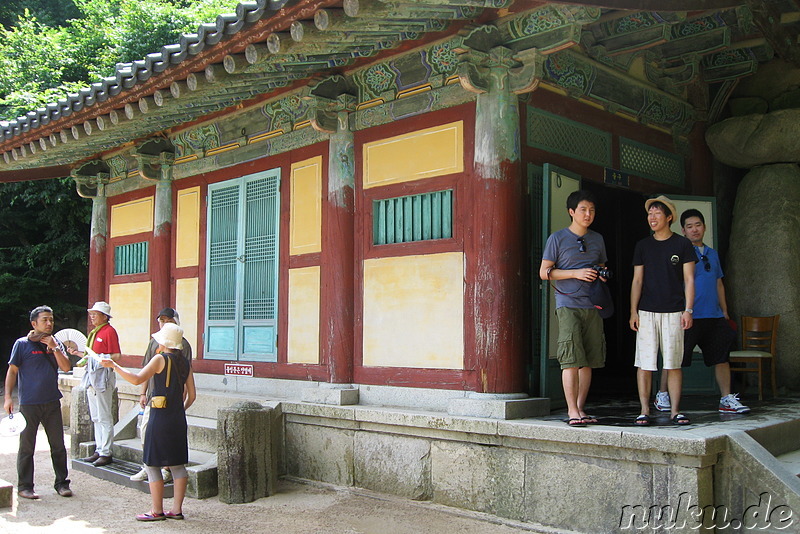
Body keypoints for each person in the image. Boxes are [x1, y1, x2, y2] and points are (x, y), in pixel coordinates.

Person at [654, 209, 750, 414]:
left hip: (713, 315)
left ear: (704, 227)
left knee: (721, 357)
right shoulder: (679, 251)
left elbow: (719, 283)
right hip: (687, 315)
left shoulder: (713, 254)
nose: (694, 229)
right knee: (674, 358)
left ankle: (726, 399)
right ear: (683, 230)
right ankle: (662, 394)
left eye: (698, 225)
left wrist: (724, 311)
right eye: (689, 226)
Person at [101, 322, 196, 521]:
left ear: (162, 342)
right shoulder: (185, 363)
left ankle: (157, 510)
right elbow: (192, 396)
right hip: (177, 418)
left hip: (159, 416)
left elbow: (136, 379)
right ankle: (177, 510)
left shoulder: (159, 359)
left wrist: (114, 366)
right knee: (178, 465)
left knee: (152, 464)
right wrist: (179, 410)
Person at [539, 190, 609, 426]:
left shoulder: (598, 239)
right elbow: (544, 272)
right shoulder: (557, 239)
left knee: (588, 359)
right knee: (571, 358)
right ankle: (571, 411)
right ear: (571, 212)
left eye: (592, 210)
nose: (588, 214)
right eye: (583, 210)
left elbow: (601, 266)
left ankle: (581, 408)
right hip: (568, 304)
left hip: (593, 304)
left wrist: (601, 274)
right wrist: (575, 273)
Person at [630, 195, 695, 426]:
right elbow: (637, 281)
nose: (652, 217)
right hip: (647, 311)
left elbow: (689, 280)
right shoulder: (643, 245)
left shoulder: (682, 244)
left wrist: (688, 310)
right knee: (645, 363)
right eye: (650, 213)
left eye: (657, 213)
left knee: (673, 363)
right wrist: (633, 311)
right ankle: (644, 409)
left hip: (675, 311)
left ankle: (675, 411)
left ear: (669, 217)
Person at [3, 305, 73, 499]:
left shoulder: (54, 342)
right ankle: (25, 486)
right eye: (45, 320)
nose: (49, 323)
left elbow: (66, 367)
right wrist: (8, 397)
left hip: (51, 402)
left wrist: (55, 348)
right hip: (29, 404)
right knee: (27, 446)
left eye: (51, 319)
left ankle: (62, 484)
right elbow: (12, 371)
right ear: (34, 323)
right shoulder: (22, 344)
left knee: (58, 445)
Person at [130, 308, 193, 482]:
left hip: (169, 400)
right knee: (146, 432)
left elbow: (185, 378)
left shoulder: (183, 345)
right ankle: (149, 466)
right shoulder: (154, 343)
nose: (163, 323)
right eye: (161, 320)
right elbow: (145, 371)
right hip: (154, 396)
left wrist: (181, 402)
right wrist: (143, 393)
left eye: (167, 320)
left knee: (164, 438)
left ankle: (161, 469)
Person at [69, 301, 121, 466]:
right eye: (91, 314)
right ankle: (100, 449)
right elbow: (90, 355)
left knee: (104, 415)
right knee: (96, 416)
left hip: (102, 376)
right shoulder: (95, 332)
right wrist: (79, 354)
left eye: (95, 314)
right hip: (92, 376)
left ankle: (106, 452)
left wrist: (102, 359)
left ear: (104, 317)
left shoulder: (109, 331)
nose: (91, 317)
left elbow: (116, 355)